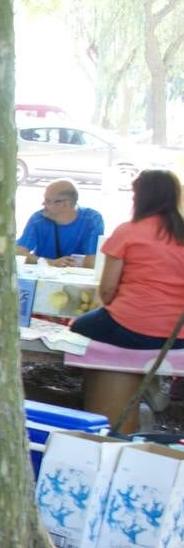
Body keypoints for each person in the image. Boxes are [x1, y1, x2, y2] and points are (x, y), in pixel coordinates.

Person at [70, 169, 184, 432]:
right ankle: (148, 381)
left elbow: (108, 290)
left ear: (140, 197)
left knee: (79, 326)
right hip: (177, 335)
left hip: (128, 325)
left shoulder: (128, 231)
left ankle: (110, 393)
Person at [15, 180, 104, 266]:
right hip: (44, 274)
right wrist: (51, 263)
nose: (43, 204)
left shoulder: (92, 219)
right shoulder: (38, 219)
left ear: (65, 204)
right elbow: (18, 252)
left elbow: (92, 262)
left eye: (48, 201)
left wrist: (66, 264)